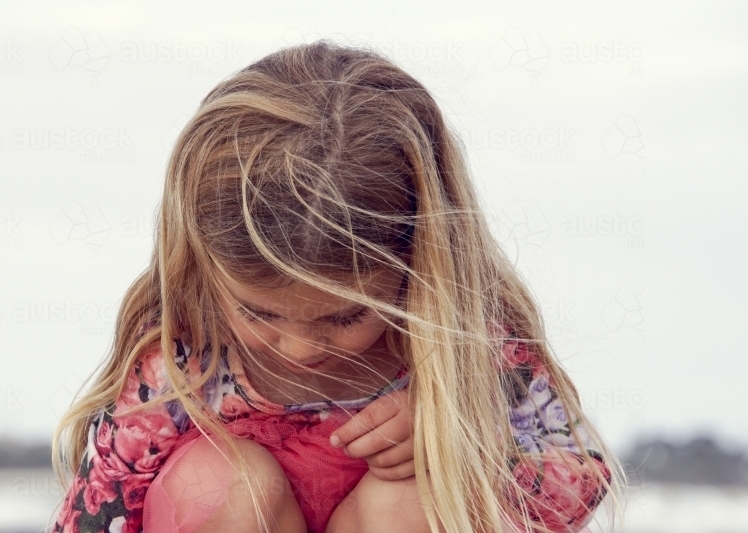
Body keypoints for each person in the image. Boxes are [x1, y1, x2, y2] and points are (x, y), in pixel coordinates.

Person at [49, 40, 621, 533]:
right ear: (204, 266)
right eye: (260, 313)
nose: (299, 349)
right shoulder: (184, 355)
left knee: (416, 494)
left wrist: (457, 434)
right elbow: (97, 513)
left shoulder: (472, 346)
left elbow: (581, 479)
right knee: (214, 481)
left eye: (344, 318)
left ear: (419, 267)